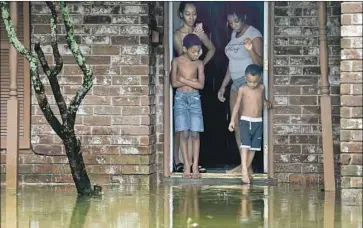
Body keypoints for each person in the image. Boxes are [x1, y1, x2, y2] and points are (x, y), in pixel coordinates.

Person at [217, 8, 263, 176]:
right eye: (230, 22)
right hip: (235, 84)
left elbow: (260, 63)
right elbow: (232, 64)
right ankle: (246, 166)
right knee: (236, 124)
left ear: (244, 17)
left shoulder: (254, 34)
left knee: (247, 125)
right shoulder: (233, 36)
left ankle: (245, 167)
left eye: (236, 21)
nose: (233, 25)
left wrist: (250, 49)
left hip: (248, 83)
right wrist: (223, 86)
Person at [173, 1, 215, 174]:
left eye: (194, 13)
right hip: (182, 83)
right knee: (182, 127)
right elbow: (183, 56)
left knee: (194, 128)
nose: (192, 17)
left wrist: (201, 66)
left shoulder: (199, 32)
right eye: (188, 13)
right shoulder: (178, 35)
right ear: (181, 14)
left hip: (194, 85)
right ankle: (180, 162)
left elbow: (212, 49)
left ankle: (192, 163)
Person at [228, 64, 273, 184]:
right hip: (245, 120)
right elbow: (237, 104)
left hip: (257, 121)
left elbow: (262, 99)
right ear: (245, 77)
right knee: (245, 146)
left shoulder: (262, 88)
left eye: (254, 82)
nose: (252, 85)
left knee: (254, 147)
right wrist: (232, 120)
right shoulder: (242, 89)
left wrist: (266, 102)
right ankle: (244, 170)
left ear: (260, 78)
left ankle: (246, 168)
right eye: (249, 81)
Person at [171, 34, 205, 178]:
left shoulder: (199, 64)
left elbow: (201, 85)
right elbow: (174, 83)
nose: (196, 54)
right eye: (193, 51)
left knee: (195, 133)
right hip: (180, 98)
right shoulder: (176, 62)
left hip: (195, 99)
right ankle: (186, 166)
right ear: (184, 49)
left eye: (198, 51)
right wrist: (192, 81)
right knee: (184, 133)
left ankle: (195, 166)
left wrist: (184, 79)